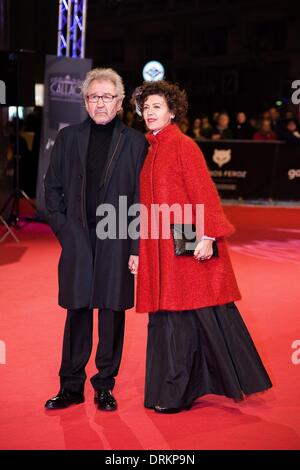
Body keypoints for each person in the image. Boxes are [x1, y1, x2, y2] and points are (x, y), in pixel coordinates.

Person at [132, 80, 272, 414]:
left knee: (189, 314)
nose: (149, 113)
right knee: (171, 315)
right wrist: (138, 250)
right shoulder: (151, 150)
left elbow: (204, 194)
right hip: (159, 245)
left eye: (156, 107)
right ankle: (174, 387)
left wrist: (208, 236)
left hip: (184, 240)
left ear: (172, 112)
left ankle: (178, 391)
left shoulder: (183, 146)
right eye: (145, 107)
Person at [44, 68, 148, 410]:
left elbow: (140, 198)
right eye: (93, 96)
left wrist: (135, 246)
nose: (100, 103)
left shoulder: (135, 142)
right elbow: (52, 188)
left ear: (119, 103)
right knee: (76, 311)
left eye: (107, 96)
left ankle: (104, 386)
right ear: (85, 102)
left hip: (116, 236)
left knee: (111, 312)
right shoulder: (68, 137)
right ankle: (70, 386)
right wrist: (65, 231)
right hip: (77, 237)